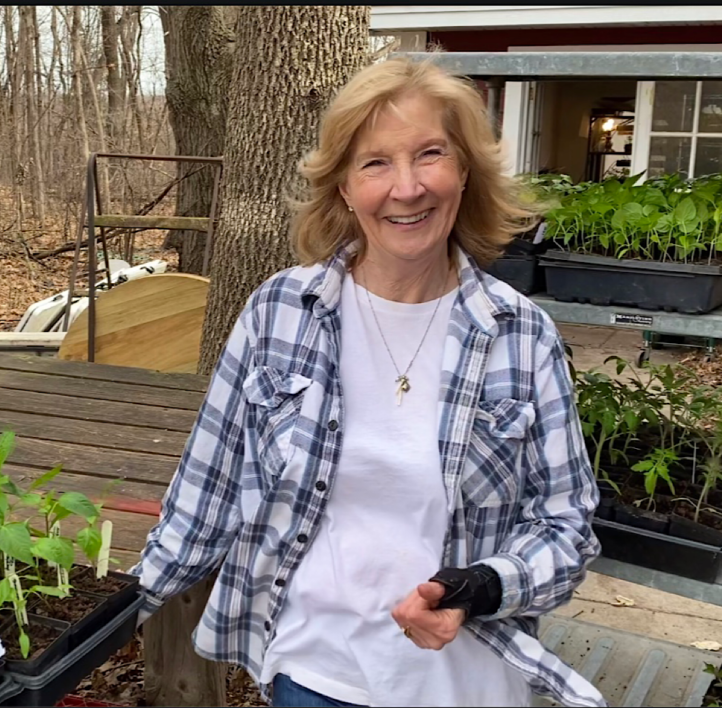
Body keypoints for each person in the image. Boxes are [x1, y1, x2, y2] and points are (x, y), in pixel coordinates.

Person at [132, 56, 605, 708]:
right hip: (315, 675)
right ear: (344, 187)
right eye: (375, 162)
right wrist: (116, 611)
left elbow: (566, 524)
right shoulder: (281, 313)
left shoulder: (520, 335)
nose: (406, 188)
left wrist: (485, 586)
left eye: (429, 154)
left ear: (464, 171)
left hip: (466, 685)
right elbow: (204, 487)